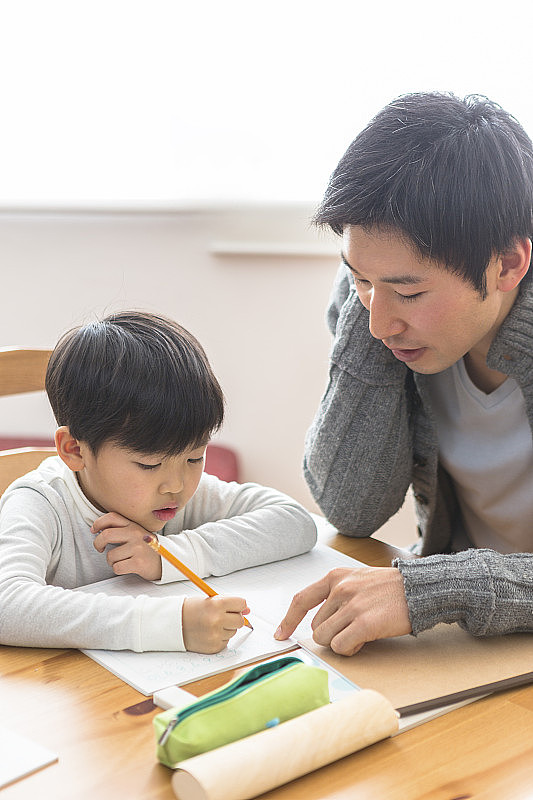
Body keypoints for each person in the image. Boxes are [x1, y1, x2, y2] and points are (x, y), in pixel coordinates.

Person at [275, 91, 533, 656]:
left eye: (409, 291)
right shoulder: (374, 316)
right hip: (465, 643)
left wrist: (433, 590)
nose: (379, 323)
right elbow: (350, 508)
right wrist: (368, 298)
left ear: (510, 264)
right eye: (359, 278)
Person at [0, 311, 316, 653]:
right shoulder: (39, 503)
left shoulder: (175, 493)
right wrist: (167, 624)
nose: (177, 485)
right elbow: (6, 604)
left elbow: (295, 522)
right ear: (75, 449)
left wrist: (167, 555)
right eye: (149, 463)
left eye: (195, 457)